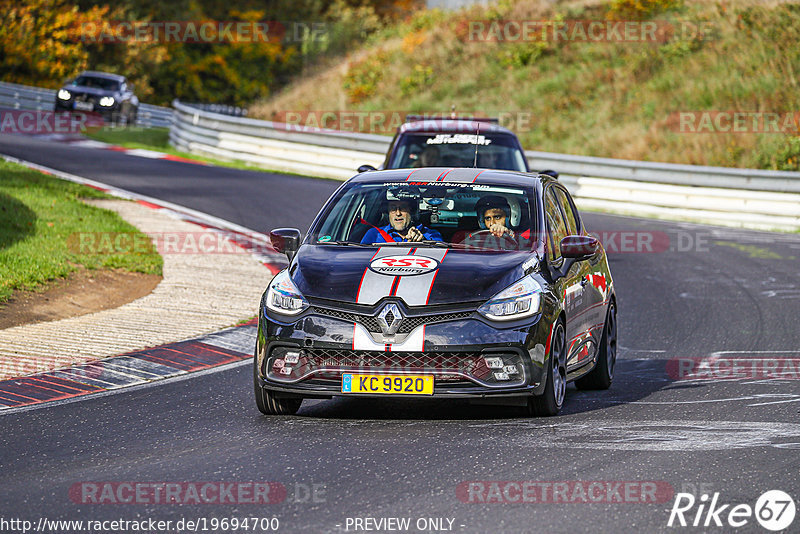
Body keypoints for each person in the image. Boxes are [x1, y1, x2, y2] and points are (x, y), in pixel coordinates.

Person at [361, 197, 442, 243]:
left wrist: (422, 241)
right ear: (388, 213)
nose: (398, 213)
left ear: (412, 212)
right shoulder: (374, 234)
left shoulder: (431, 234)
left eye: (403, 208)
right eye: (393, 208)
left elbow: (440, 255)